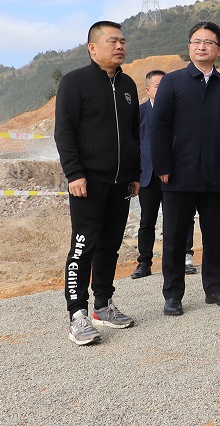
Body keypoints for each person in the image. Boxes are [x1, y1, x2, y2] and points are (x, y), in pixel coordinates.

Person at [151, 21, 220, 316]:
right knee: (175, 237)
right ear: (189, 47)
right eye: (197, 41)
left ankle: (214, 288)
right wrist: (162, 165)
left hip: (214, 174)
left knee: (214, 235)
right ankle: (173, 294)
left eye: (208, 42)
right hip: (178, 174)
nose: (202, 46)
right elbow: (159, 127)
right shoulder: (173, 82)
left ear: (219, 49)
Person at [54, 20, 139, 345]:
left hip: (121, 183)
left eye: (122, 41)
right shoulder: (74, 82)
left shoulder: (128, 84)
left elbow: (134, 133)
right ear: (92, 48)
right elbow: (64, 131)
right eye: (112, 41)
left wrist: (135, 173)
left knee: (110, 246)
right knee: (83, 246)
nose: (120, 46)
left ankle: (103, 305)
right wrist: (74, 173)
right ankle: (77, 314)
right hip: (87, 183)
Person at [132, 70, 197, 280]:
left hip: (175, 175)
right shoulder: (139, 113)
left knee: (181, 219)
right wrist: (134, 175)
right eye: (158, 86)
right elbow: (134, 145)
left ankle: (184, 257)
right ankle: (144, 262)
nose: (162, 90)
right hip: (148, 176)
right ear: (147, 90)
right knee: (147, 221)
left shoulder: (179, 111)